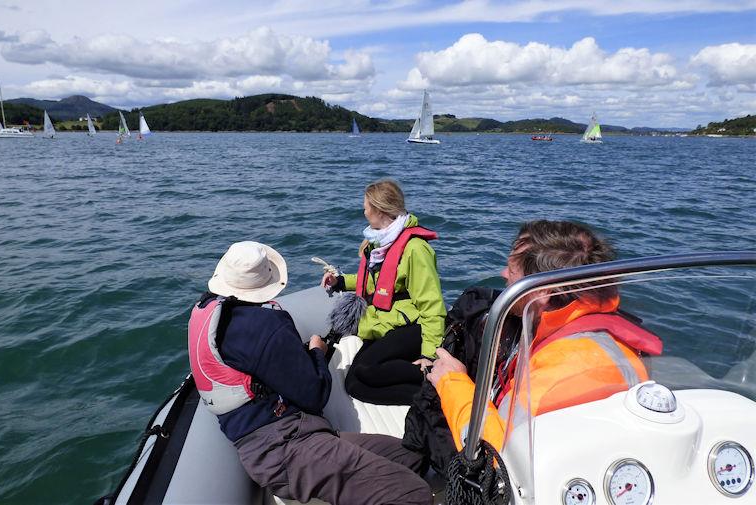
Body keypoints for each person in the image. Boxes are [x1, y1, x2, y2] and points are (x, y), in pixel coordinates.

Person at [188, 241, 431, 505]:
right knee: (412, 494)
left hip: (289, 437)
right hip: (284, 449)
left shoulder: (208, 314)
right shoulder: (268, 326)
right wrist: (316, 351)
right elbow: (315, 395)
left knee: (411, 457)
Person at [428, 220, 662, 451]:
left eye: (511, 269)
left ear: (541, 292)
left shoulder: (567, 371)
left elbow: (498, 457)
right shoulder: (582, 335)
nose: (503, 274)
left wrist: (452, 382)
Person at [322, 179, 446, 405]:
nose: (363, 210)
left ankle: (435, 381)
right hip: (384, 323)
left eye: (366, 206)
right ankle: (424, 399)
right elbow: (373, 283)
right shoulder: (379, 244)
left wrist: (430, 356)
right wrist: (340, 281)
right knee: (353, 385)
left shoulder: (415, 249)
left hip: (413, 326)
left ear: (378, 209)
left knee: (368, 370)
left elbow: (432, 306)